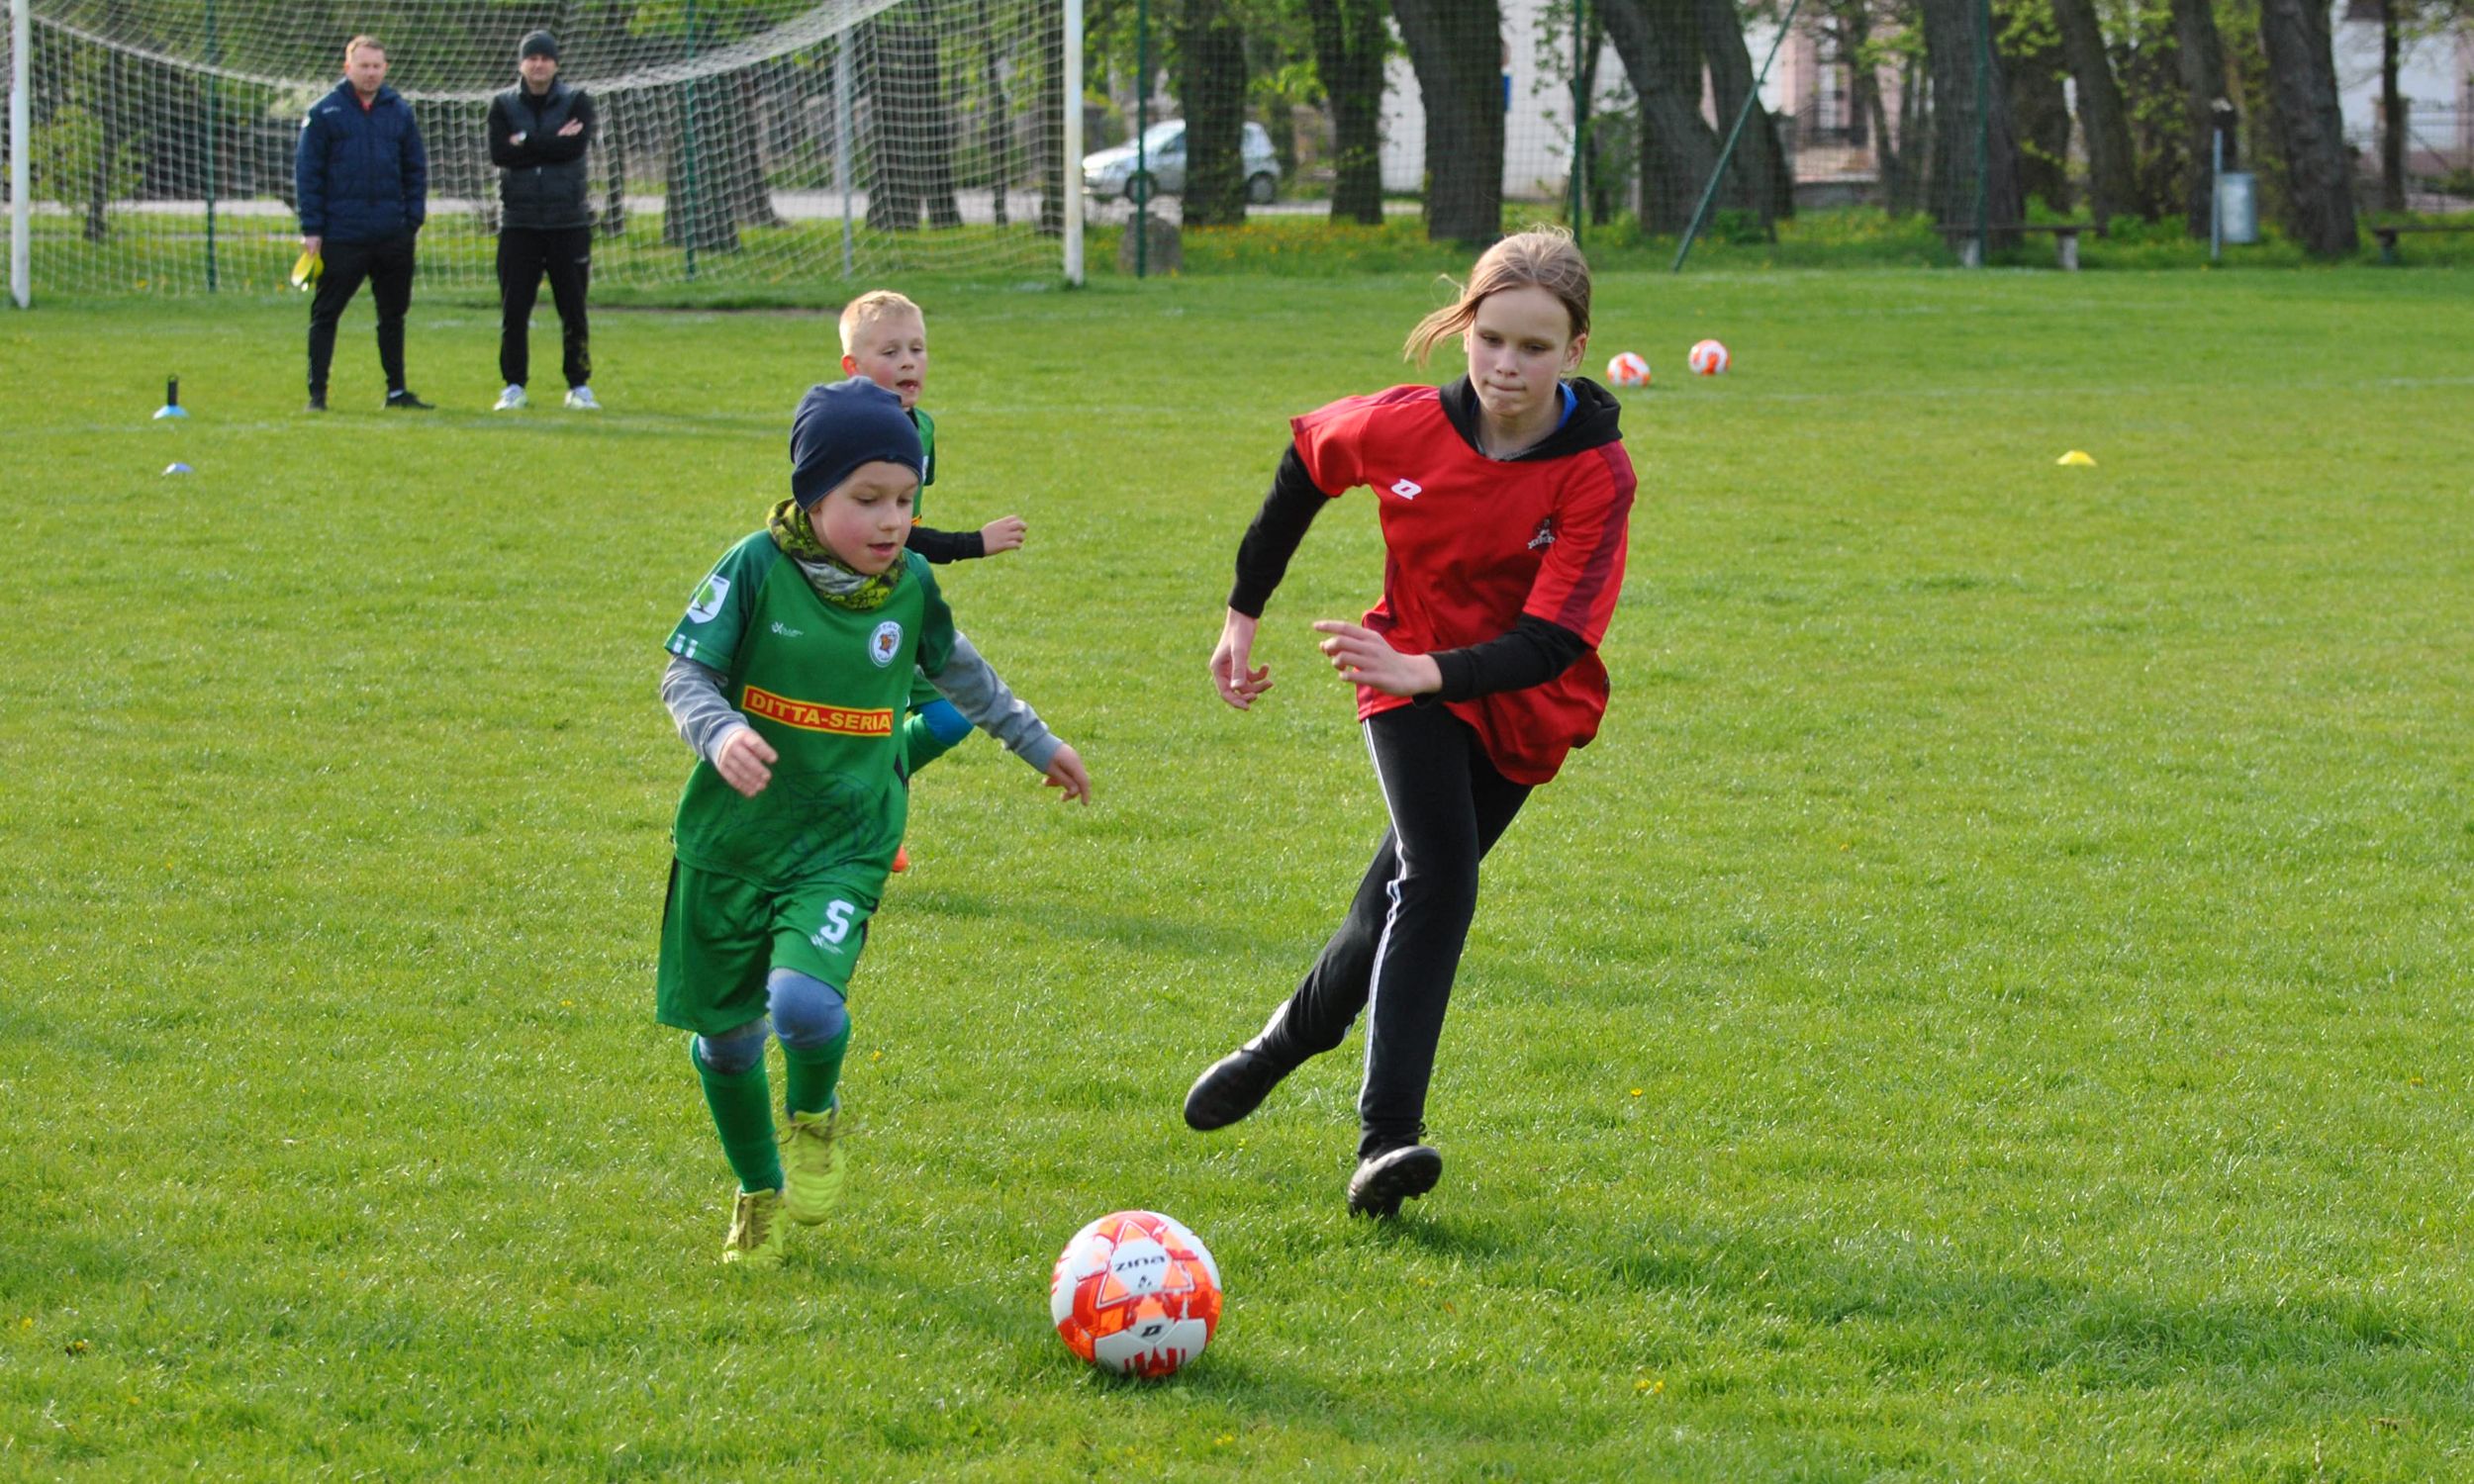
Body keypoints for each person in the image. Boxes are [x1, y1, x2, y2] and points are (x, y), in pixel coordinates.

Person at [1182, 228, 1635, 1219]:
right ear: (1463, 327)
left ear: (1575, 351)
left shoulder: (1594, 473)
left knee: (1388, 898)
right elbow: (1304, 467)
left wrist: (1430, 671)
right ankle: (1386, 1139)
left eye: (1534, 347)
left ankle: (1286, 1040)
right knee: (1439, 876)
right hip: (1402, 676)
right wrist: (1240, 617)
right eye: (1491, 338)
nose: (1506, 366)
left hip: (1519, 703)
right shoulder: (1400, 426)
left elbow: (1554, 639)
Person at [657, 378, 1092, 1266]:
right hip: (732, 842)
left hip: (843, 842)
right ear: (812, 495)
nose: (893, 520)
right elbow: (683, 676)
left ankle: (814, 1118)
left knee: (804, 1006)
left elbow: (963, 674)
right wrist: (722, 730)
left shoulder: (910, 585)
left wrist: (1033, 740)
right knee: (729, 1040)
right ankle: (759, 1190)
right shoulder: (752, 565)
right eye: (868, 501)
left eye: (906, 499)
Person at [836, 289, 1028, 866]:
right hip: (840, 606)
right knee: (858, 724)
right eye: (890, 350)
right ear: (853, 367)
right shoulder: (845, 429)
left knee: (950, 711)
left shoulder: (921, 429)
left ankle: (873, 806)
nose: (908, 362)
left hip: (896, 601)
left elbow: (903, 528)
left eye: (917, 349)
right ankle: (867, 825)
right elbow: (878, 533)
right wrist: (974, 544)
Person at [296, 36, 431, 412]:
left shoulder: (400, 112)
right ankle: (317, 396)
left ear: (385, 68)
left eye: (376, 66)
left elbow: (415, 168)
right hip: (343, 234)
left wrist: (412, 220)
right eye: (363, 66)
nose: (370, 73)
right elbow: (308, 175)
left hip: (392, 233)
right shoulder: (325, 113)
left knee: (393, 315)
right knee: (325, 314)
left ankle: (397, 392)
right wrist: (312, 228)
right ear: (347, 68)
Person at [486, 31, 601, 412]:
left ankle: (579, 384)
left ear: (556, 63)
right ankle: (514, 384)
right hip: (519, 223)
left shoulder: (577, 101)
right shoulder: (502, 105)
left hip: (568, 222)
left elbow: (574, 148)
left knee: (574, 308)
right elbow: (500, 153)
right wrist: (549, 140)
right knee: (514, 309)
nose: (538, 65)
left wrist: (527, 141)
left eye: (545, 58)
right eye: (531, 58)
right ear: (521, 63)